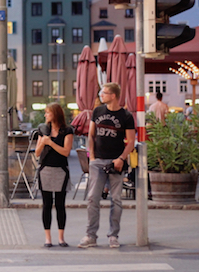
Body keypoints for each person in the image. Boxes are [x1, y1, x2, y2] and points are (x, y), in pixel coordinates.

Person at [78, 82, 135, 249]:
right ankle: (91, 235)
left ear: (113, 96)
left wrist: (121, 158)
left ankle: (113, 235)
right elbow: (91, 135)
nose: (101, 95)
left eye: (104, 93)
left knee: (116, 200)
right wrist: (92, 157)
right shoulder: (97, 111)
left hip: (115, 162)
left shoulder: (126, 116)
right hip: (98, 161)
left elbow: (131, 141)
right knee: (92, 198)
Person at [35, 103, 73, 248]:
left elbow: (66, 152)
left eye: (48, 113)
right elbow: (37, 153)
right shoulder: (43, 130)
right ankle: (48, 238)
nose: (45, 115)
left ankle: (61, 237)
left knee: (60, 204)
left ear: (55, 114)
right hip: (45, 169)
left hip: (60, 170)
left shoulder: (67, 131)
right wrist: (43, 143)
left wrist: (50, 143)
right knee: (46, 204)